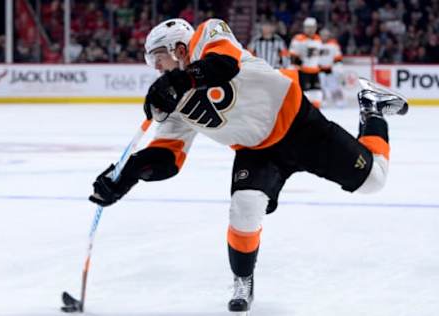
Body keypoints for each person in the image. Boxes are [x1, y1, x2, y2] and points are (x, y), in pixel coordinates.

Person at [88, 18, 408, 314]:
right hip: (256, 151)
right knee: (244, 208)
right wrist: (126, 176)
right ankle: (243, 280)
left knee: (374, 180)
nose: (155, 67)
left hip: (298, 124)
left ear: (179, 48)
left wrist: (180, 79)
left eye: (157, 56)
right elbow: (167, 159)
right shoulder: (175, 102)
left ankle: (372, 108)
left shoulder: (208, 35)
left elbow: (223, 65)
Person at [289, 17, 323, 107]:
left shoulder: (318, 39)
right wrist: (296, 64)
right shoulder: (298, 39)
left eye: (312, 27)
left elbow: (320, 55)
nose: (310, 29)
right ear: (304, 28)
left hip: (315, 71)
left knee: (317, 93)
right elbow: (293, 55)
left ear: (316, 28)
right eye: (308, 27)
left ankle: (316, 112)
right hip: (304, 71)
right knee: (306, 94)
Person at [318, 28, 345, 107]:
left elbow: (338, 58)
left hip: (330, 69)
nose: (324, 37)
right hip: (319, 69)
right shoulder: (316, 43)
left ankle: (339, 100)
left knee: (334, 86)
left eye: (326, 35)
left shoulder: (333, 44)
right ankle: (323, 100)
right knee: (321, 86)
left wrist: (338, 68)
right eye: (323, 35)